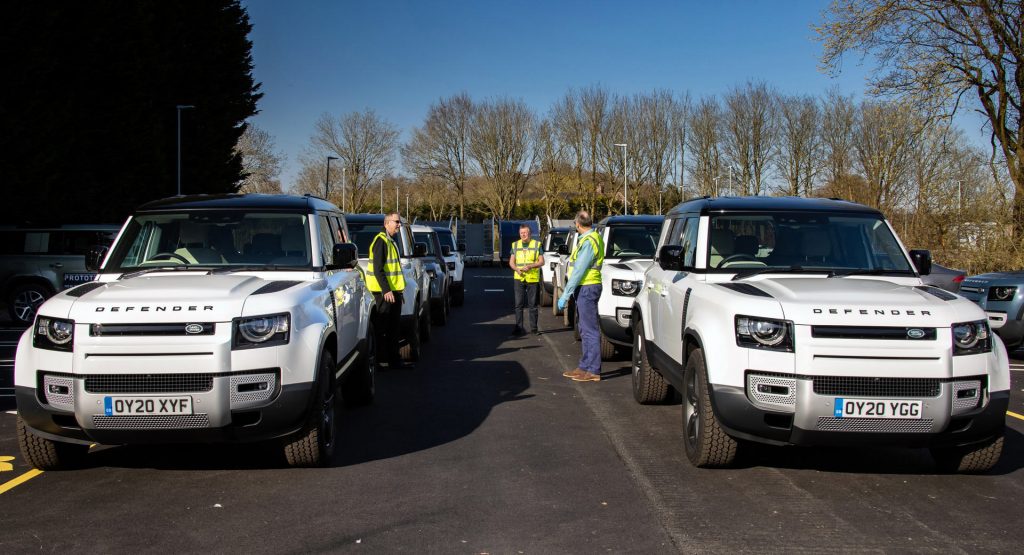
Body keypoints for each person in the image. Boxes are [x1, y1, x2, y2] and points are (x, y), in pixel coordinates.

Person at [557, 211, 604, 382]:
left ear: (577, 224)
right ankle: (585, 366)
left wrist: (566, 294)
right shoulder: (591, 238)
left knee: (589, 330)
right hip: (586, 286)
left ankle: (592, 370)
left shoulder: (589, 241)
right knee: (584, 328)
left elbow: (579, 271)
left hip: (587, 286)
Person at [367, 212, 413, 369]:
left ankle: (395, 361)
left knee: (394, 328)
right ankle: (381, 361)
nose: (399, 225)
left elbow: (394, 270)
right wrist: (386, 290)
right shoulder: (381, 241)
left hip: (394, 293)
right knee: (383, 329)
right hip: (384, 294)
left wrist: (398, 292)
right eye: (397, 222)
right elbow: (378, 269)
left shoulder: (390, 241)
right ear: (387, 223)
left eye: (399, 222)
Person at [508, 224, 544, 336]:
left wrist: (530, 266)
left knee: (532, 304)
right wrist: (517, 269)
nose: (523, 234)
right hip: (519, 278)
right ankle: (518, 327)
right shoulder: (515, 245)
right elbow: (511, 262)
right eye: (521, 233)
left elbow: (541, 261)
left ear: (530, 233)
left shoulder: (537, 244)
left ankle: (534, 328)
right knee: (518, 304)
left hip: (532, 278)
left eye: (525, 232)